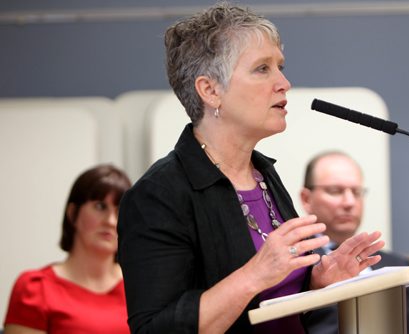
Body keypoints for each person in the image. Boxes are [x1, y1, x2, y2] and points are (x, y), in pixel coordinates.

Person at [117, 2, 385, 334]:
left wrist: (318, 282)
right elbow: (155, 329)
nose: (284, 82)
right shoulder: (157, 197)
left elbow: (276, 304)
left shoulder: (264, 175)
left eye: (280, 66)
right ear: (210, 90)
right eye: (262, 68)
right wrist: (254, 274)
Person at [300, 150, 409, 334]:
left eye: (356, 192)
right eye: (335, 191)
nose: (349, 202)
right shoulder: (299, 267)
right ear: (306, 199)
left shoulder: (398, 265)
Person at [4, 164, 132, 334]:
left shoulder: (141, 286)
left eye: (120, 211)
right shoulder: (35, 289)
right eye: (100, 207)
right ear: (73, 213)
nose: (110, 221)